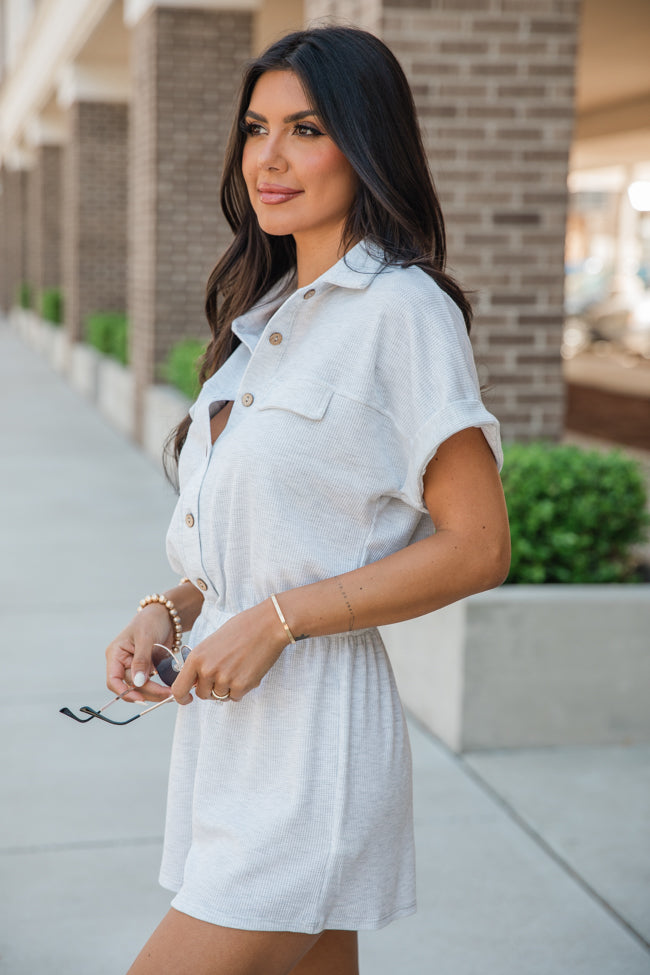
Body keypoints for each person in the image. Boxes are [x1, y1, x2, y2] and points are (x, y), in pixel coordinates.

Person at [105, 25, 510, 975]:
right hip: (232, 737)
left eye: (307, 128)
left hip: (314, 747)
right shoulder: (267, 317)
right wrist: (169, 605)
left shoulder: (404, 313)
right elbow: (278, 529)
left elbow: (479, 545)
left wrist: (280, 621)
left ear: (365, 144)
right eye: (256, 128)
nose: (269, 158)